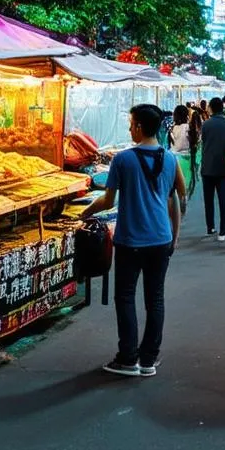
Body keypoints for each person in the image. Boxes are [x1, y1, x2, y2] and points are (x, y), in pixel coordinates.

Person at [80, 103, 185, 377]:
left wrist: (84, 212)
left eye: (130, 123)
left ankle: (128, 358)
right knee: (156, 299)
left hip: (130, 240)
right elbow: (175, 199)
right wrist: (175, 235)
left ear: (139, 126)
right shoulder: (170, 159)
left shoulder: (123, 159)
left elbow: (107, 199)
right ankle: (148, 360)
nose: (129, 128)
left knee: (125, 297)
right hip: (160, 238)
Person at [200, 97, 225, 241]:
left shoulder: (206, 124)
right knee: (223, 199)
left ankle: (210, 227)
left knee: (208, 199)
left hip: (207, 166)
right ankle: (223, 231)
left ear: (211, 108)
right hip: (223, 167)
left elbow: (203, 141)